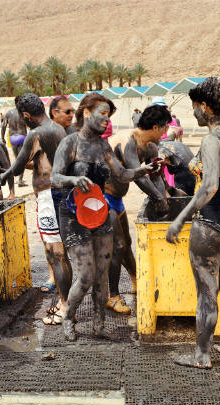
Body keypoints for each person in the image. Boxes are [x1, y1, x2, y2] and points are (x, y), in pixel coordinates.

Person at [51, 93, 158, 341]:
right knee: (86, 275)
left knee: (101, 274)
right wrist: (73, 179)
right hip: (73, 215)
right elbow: (54, 178)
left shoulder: (103, 145)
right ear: (86, 113)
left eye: (108, 115)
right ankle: (68, 317)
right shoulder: (70, 143)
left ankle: (99, 325)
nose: (106, 120)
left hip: (99, 213)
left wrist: (145, 169)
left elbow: (120, 174)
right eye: (102, 114)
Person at [166, 77, 220, 367]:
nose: (193, 113)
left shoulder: (212, 140)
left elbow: (209, 185)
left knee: (207, 291)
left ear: (204, 106)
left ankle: (201, 355)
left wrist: (180, 218)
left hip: (210, 222)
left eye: (194, 107)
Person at [0, 93, 72, 324]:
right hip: (63, 193)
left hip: (49, 196)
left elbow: (17, 167)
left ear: (27, 116)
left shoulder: (36, 134)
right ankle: (67, 303)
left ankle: (65, 306)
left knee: (55, 253)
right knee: (62, 253)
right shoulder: (57, 128)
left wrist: (2, 175)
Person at [105, 104, 172, 315]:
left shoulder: (151, 147)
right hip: (101, 198)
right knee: (117, 246)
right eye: (164, 129)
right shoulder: (128, 141)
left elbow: (156, 177)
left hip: (117, 199)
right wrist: (158, 198)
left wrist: (166, 196)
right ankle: (112, 296)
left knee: (127, 245)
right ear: (154, 127)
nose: (166, 133)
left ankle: (136, 281)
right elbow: (140, 178)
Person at [1, 107, 27, 187]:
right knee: (22, 160)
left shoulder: (8, 112)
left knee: (16, 159)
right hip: (22, 135)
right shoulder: (24, 112)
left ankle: (14, 177)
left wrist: (2, 138)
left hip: (12, 137)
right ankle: (20, 180)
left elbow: (3, 126)